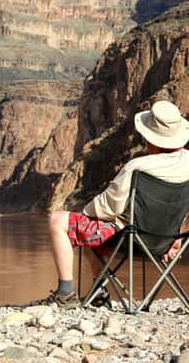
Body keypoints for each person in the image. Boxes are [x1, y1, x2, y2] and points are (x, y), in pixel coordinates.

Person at [34, 100, 189, 308]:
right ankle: (99, 291)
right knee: (94, 227)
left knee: (58, 220)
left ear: (150, 139)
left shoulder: (138, 167)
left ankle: (65, 293)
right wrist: (178, 235)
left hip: (131, 238)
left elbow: (108, 207)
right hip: (167, 241)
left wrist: (86, 211)